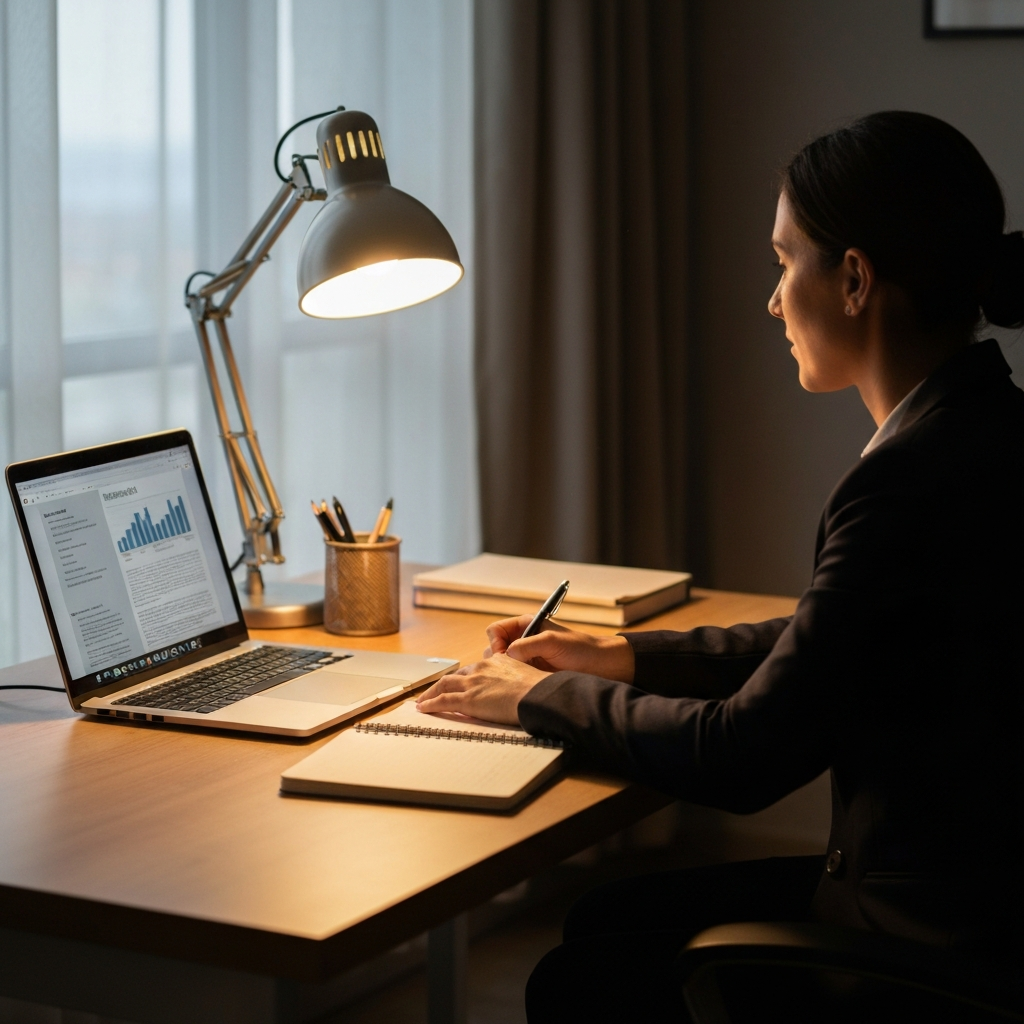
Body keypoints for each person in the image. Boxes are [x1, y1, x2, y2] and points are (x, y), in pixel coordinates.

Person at [417, 111, 1024, 1021]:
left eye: (785, 261)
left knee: (577, 978)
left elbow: (745, 755)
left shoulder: (902, 482)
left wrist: (534, 697)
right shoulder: (989, 426)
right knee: (606, 919)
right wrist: (618, 660)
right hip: (985, 909)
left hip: (921, 952)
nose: (774, 300)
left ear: (853, 279)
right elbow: (834, 639)